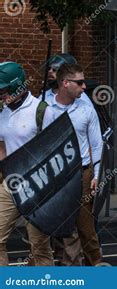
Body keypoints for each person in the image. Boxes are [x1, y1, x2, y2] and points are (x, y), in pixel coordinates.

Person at [0, 61, 55, 266]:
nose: (1, 95)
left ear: (16, 86)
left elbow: (54, 150)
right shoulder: (2, 112)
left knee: (38, 247)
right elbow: (2, 148)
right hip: (10, 183)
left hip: (37, 184)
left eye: (3, 90)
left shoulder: (43, 111)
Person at [48, 63, 103, 266]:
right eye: (80, 83)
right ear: (65, 83)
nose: (84, 87)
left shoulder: (87, 110)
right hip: (55, 174)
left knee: (85, 226)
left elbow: (97, 144)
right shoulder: (44, 109)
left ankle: (96, 265)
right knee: (59, 226)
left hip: (82, 173)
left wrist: (96, 175)